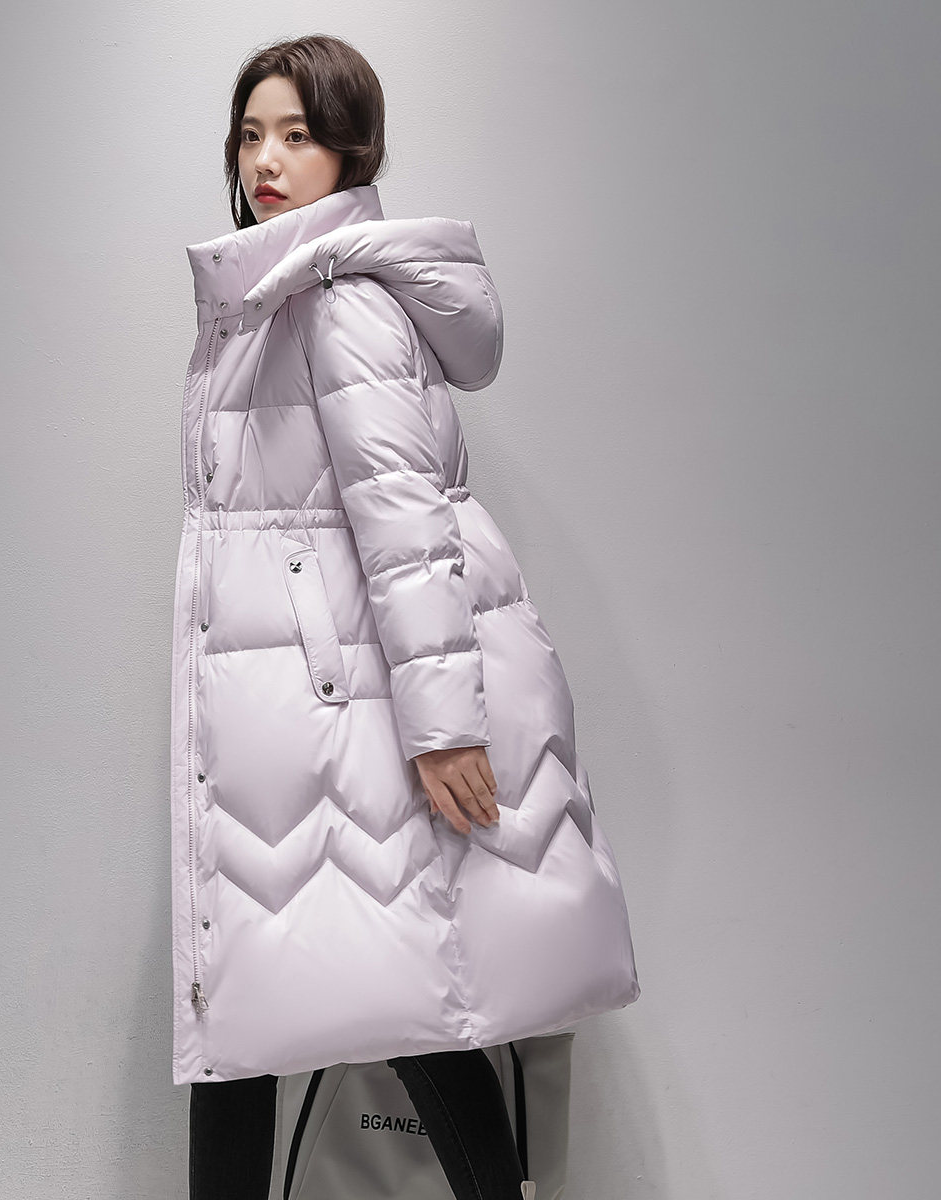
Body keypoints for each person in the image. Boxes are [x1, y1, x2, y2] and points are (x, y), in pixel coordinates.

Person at [170, 33, 640, 1200]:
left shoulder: (338, 308)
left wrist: (443, 728)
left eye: (297, 136)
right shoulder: (263, 304)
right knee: (249, 1014)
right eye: (250, 135)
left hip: (343, 715)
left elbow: (407, 527)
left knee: (410, 999)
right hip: (284, 715)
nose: (266, 161)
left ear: (352, 151)